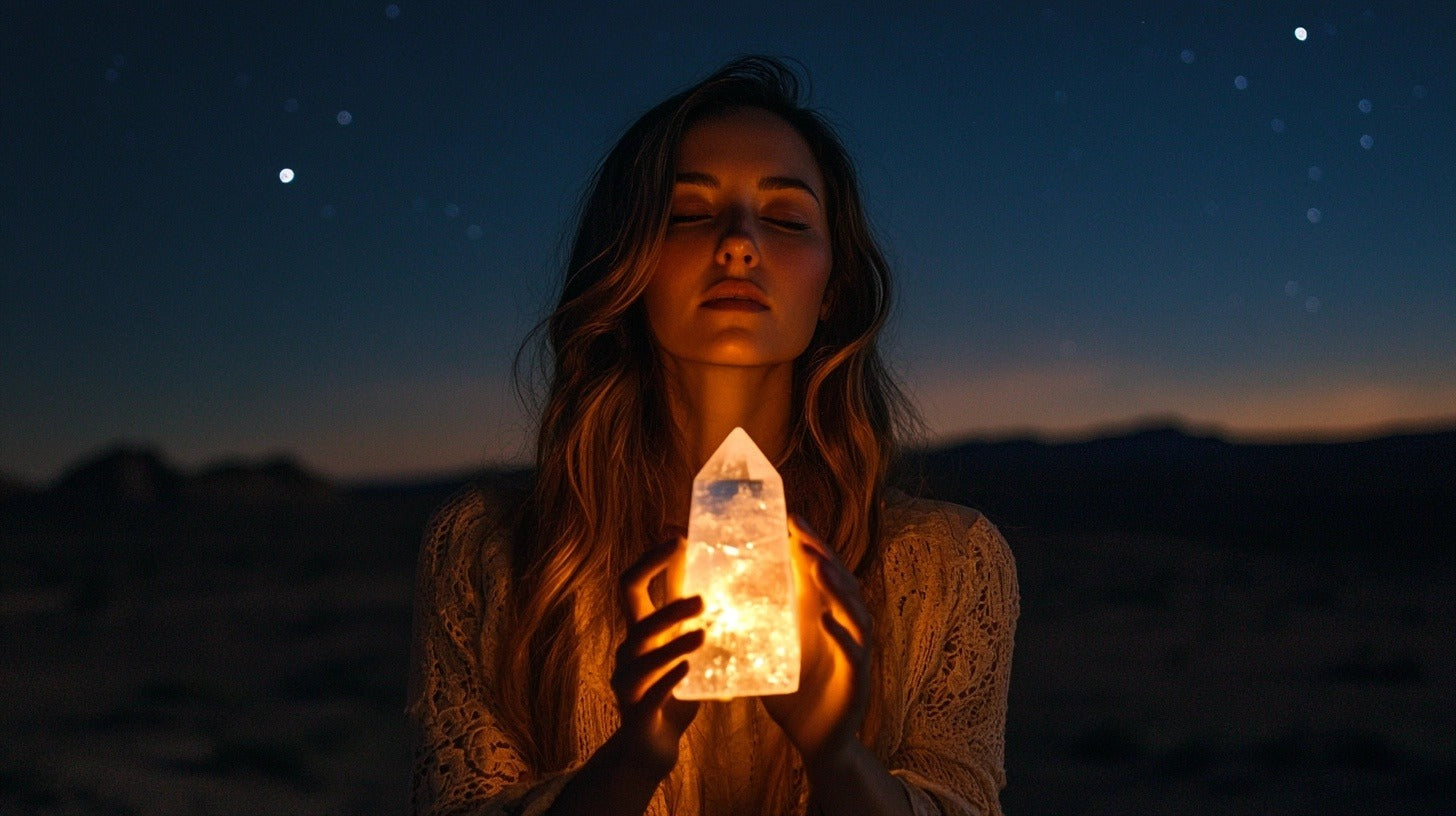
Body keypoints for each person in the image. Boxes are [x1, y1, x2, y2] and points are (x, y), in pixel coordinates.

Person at [408, 56, 1018, 816]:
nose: (738, 243)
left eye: (788, 220)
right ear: (627, 264)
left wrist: (835, 755)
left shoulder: (950, 565)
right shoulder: (491, 553)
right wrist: (636, 756)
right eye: (689, 214)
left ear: (835, 289)